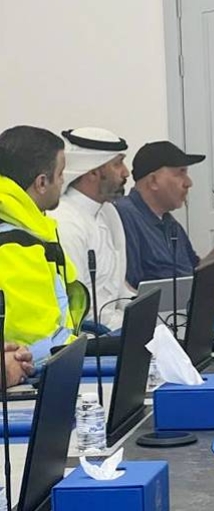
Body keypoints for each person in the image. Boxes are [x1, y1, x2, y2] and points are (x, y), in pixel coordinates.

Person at [0, 125, 89, 362]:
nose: (62, 181)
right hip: (42, 372)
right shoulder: (16, 247)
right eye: (60, 174)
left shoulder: (30, 231)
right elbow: (35, 345)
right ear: (41, 182)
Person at [115, 141, 214, 287]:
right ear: (153, 181)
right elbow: (129, 290)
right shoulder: (123, 217)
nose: (188, 183)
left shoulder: (170, 223)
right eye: (180, 173)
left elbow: (195, 274)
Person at [49, 128, 133, 330]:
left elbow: (117, 290)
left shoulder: (108, 212)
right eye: (117, 164)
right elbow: (78, 309)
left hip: (117, 326)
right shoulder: (65, 221)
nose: (126, 172)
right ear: (93, 172)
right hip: (92, 335)